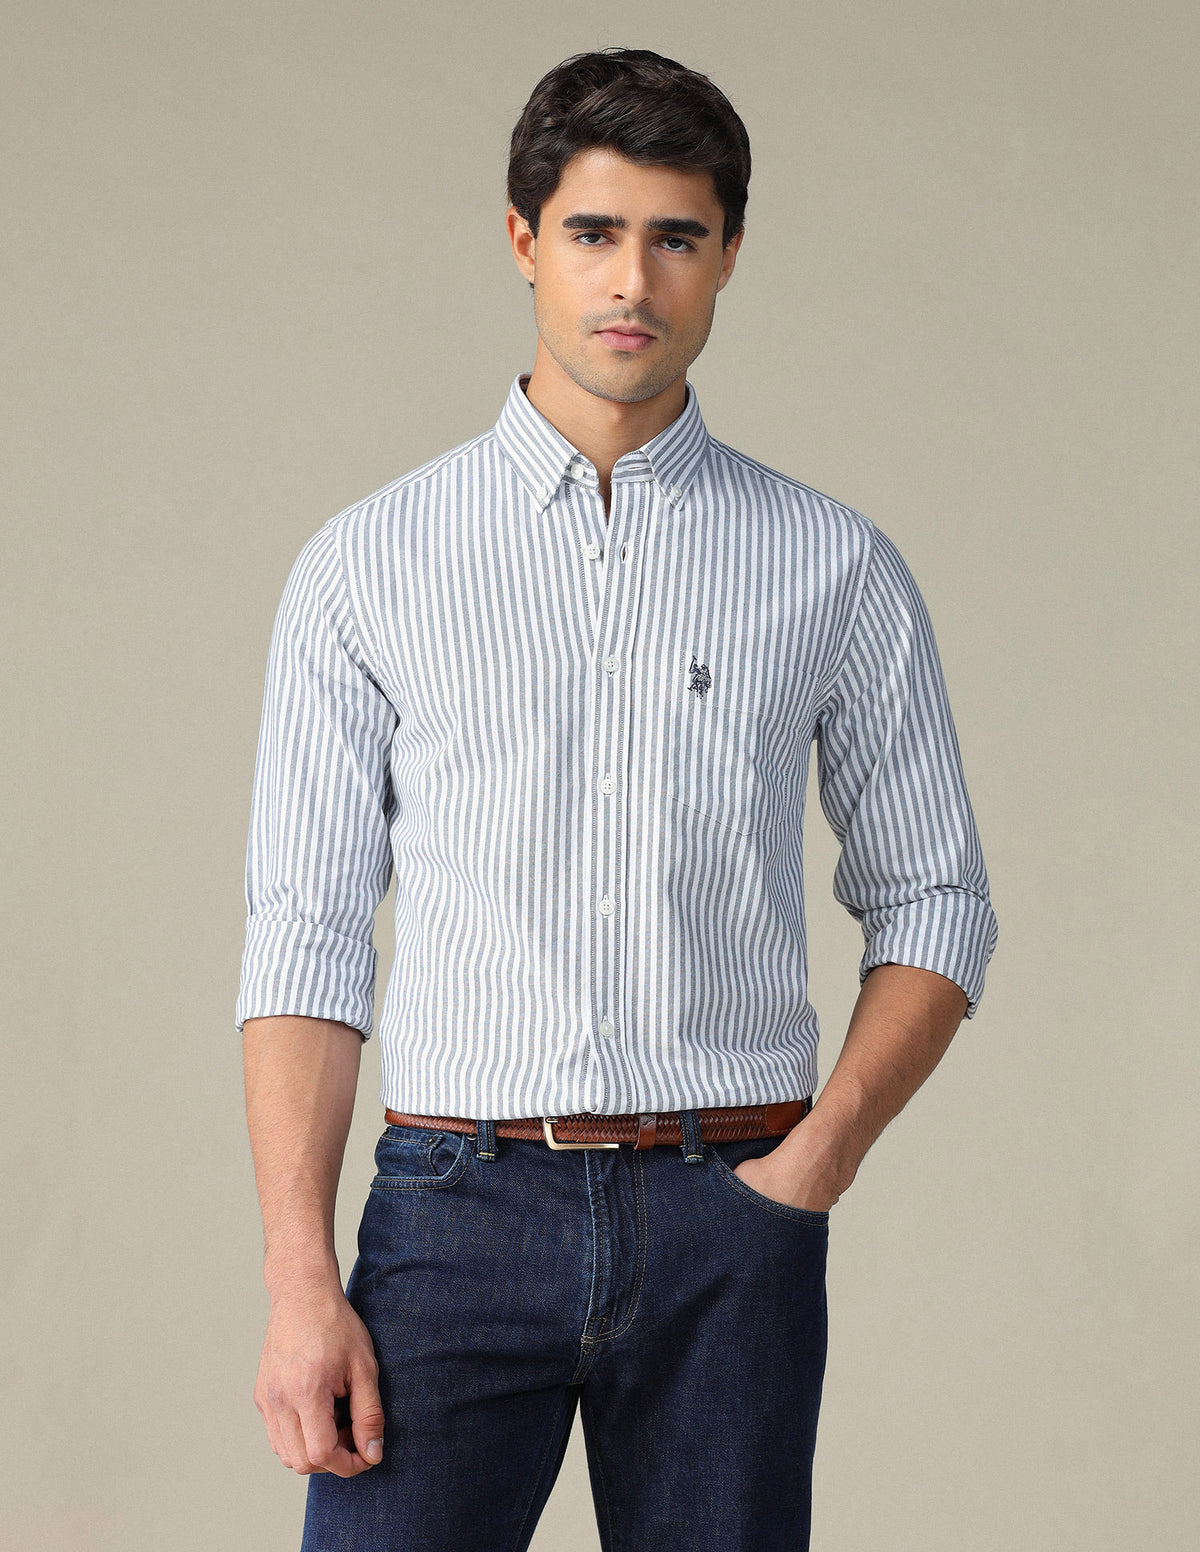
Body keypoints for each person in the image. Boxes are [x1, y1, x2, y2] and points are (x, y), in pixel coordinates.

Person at [236, 45, 998, 1552]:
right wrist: (299, 1280)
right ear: (524, 240)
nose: (632, 280)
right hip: (452, 1216)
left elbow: (938, 902)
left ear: (730, 254)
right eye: (593, 232)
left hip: (732, 1214)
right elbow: (305, 939)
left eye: (676, 237)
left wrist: (812, 1167)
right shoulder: (368, 566)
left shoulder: (830, 567)